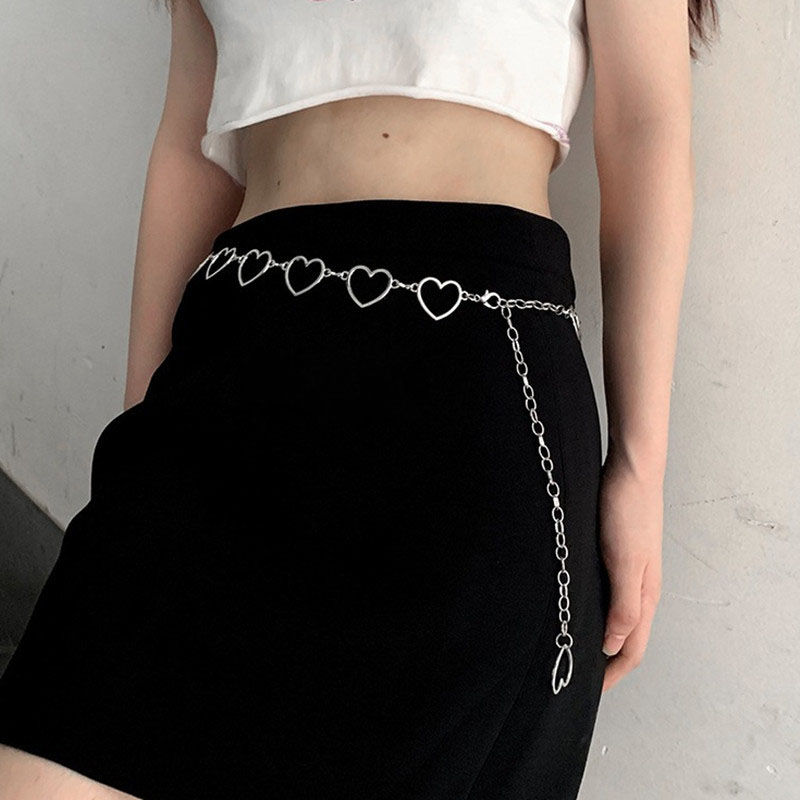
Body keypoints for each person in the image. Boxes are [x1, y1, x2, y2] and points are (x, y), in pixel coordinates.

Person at [0, 1, 717, 798]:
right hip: (231, 363)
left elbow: (647, 125)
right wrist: (138, 433)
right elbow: (191, 144)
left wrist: (639, 468)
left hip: (468, 399)